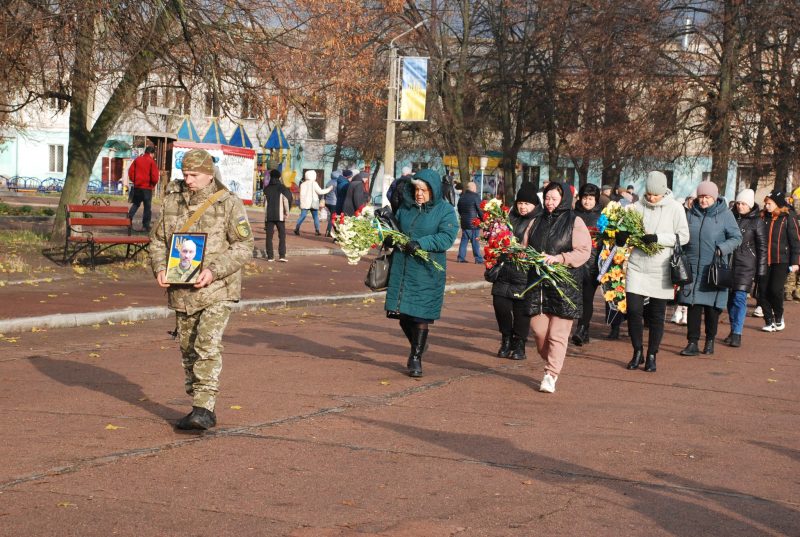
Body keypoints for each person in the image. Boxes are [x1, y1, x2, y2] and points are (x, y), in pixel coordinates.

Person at [149, 148, 254, 430]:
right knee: (188, 349)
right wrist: (160, 268)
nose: (189, 180)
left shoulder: (228, 203)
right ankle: (198, 402)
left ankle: (203, 409)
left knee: (206, 343)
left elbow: (244, 245)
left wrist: (214, 271)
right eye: (185, 174)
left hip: (217, 288)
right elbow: (158, 241)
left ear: (209, 173)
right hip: (182, 290)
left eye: (194, 175)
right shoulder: (172, 201)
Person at [384, 169, 459, 377]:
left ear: (433, 190)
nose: (419, 194)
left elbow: (446, 237)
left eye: (424, 190)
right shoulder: (406, 209)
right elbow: (396, 231)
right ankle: (419, 345)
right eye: (416, 189)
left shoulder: (445, 211)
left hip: (427, 270)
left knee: (420, 315)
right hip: (403, 268)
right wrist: (388, 238)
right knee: (403, 316)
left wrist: (420, 244)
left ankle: (415, 357)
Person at [523, 182, 591, 393]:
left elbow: (583, 251)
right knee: (539, 332)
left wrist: (559, 259)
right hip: (538, 286)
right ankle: (553, 358)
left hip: (564, 286)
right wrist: (522, 256)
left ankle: (551, 375)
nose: (550, 203)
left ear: (564, 199)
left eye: (554, 198)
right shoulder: (536, 221)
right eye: (547, 198)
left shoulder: (574, 221)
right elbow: (525, 247)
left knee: (557, 335)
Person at [620, 171, 689, 372]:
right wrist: (622, 235)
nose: (651, 198)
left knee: (657, 315)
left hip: (661, 267)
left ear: (664, 191)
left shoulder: (676, 208)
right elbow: (626, 231)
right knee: (633, 311)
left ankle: (652, 355)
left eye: (655, 195)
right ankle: (637, 351)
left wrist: (658, 238)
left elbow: (683, 237)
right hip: (637, 266)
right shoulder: (636, 207)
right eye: (649, 194)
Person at [677, 181, 742, 356]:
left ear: (714, 197)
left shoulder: (725, 215)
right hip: (692, 267)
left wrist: (722, 248)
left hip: (714, 268)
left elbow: (736, 237)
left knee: (712, 309)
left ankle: (710, 340)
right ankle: (692, 343)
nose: (703, 200)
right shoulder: (691, 214)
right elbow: (682, 235)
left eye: (707, 197)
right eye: (701, 197)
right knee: (693, 306)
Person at [490, 183, 540, 360]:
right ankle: (506, 339)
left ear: (534, 205)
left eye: (527, 203)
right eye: (520, 203)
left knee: (521, 312)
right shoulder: (507, 217)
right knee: (500, 307)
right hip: (504, 271)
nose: (522, 206)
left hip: (524, 273)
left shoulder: (539, 220)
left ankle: (520, 345)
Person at [724, 189, 767, 347]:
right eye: (738, 203)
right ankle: (733, 329)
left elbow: (762, 248)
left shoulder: (757, 222)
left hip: (746, 265)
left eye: (743, 204)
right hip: (729, 264)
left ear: (749, 205)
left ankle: (737, 333)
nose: (740, 206)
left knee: (739, 299)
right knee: (729, 301)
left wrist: (761, 271)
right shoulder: (730, 217)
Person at [757, 190, 800, 332]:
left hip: (781, 260)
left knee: (775, 290)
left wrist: (795, 262)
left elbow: (795, 241)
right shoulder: (762, 217)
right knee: (762, 291)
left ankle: (779, 317)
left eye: (769, 203)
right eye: (766, 203)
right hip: (763, 260)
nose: (767, 206)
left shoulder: (788, 217)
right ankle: (768, 321)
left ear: (777, 204)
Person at [572, 183, 603, 346]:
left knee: (587, 298)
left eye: (591, 199)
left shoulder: (602, 217)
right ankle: (584, 329)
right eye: (585, 198)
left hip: (593, 264)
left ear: (596, 200)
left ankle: (582, 328)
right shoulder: (572, 214)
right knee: (576, 297)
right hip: (574, 263)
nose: (587, 201)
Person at [127, 146, 159, 231]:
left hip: (138, 187)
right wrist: (152, 184)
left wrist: (135, 180)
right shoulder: (151, 162)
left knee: (136, 204)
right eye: (153, 154)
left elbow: (130, 172)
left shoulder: (137, 159)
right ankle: (145, 226)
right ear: (152, 153)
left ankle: (128, 220)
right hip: (147, 188)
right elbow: (155, 177)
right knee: (147, 207)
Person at [263, 169, 292, 262]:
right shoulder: (282, 187)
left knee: (269, 237)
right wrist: (287, 212)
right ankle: (282, 255)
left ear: (270, 177)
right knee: (282, 235)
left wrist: (265, 218)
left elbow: (265, 205)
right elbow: (285, 201)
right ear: (279, 177)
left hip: (269, 216)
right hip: (280, 216)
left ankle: (270, 256)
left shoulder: (266, 189)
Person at [294, 170, 333, 236]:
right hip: (313, 202)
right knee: (315, 217)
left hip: (305, 203)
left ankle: (297, 228)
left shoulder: (303, 184)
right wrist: (329, 189)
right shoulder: (314, 183)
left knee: (302, 216)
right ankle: (317, 231)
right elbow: (320, 192)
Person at [456, 181, 484, 264]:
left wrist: (463, 217)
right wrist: (483, 219)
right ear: (473, 188)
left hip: (464, 222)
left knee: (464, 240)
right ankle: (478, 259)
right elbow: (480, 209)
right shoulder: (476, 196)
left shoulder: (462, 197)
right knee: (475, 241)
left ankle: (461, 257)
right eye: (475, 188)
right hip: (473, 223)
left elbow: (459, 209)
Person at [323, 171, 340, 237]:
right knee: (332, 218)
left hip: (328, 202)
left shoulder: (328, 182)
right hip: (333, 202)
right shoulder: (336, 183)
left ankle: (334, 231)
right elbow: (337, 193)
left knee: (333, 217)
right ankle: (328, 231)